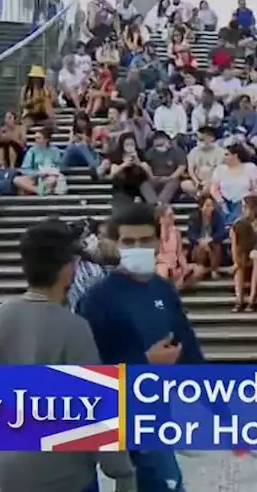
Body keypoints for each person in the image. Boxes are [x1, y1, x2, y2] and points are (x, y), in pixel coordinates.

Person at [0, 220, 136, 492]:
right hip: (64, 472)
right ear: (68, 267)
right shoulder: (73, 328)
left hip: (9, 468)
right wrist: (122, 472)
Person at [78, 203, 202, 492]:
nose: (138, 247)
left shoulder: (162, 288)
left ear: (158, 240)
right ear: (115, 244)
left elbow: (188, 345)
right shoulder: (97, 299)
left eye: (145, 240)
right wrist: (143, 361)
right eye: (129, 241)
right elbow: (87, 369)